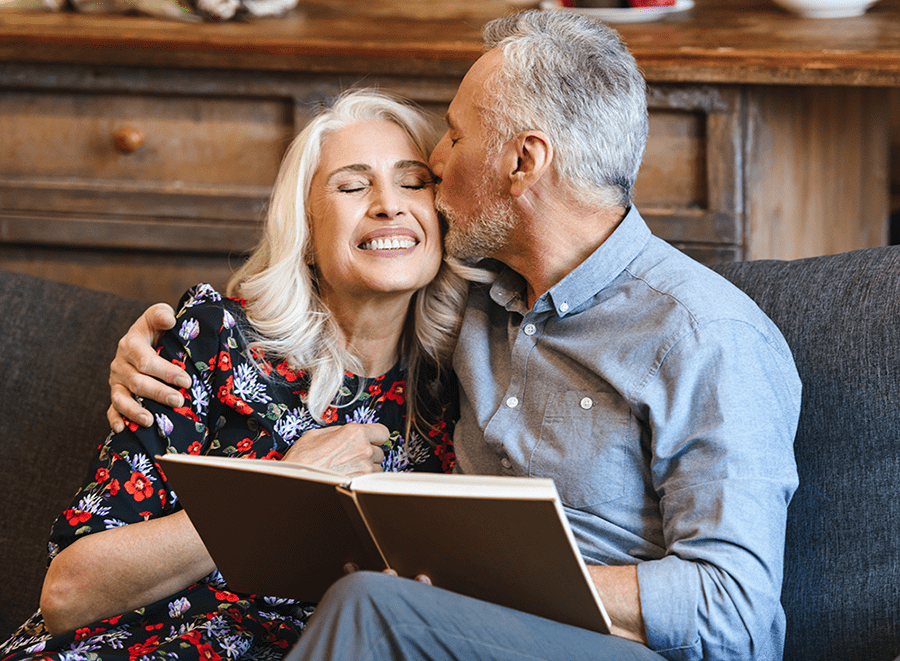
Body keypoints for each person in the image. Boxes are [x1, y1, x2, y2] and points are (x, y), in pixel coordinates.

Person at [101, 10, 802, 661]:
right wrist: (165, 341)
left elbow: (739, 613)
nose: (436, 160)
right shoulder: (472, 296)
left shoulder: (707, 334)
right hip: (459, 634)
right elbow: (335, 277)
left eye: (457, 135)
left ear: (523, 162)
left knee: (373, 603)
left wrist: (510, 584)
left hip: (608, 644)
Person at [0, 89, 470, 661]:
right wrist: (283, 491)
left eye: (413, 182)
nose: (388, 205)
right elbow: (68, 593)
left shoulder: (462, 386)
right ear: (307, 235)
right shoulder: (216, 338)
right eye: (351, 186)